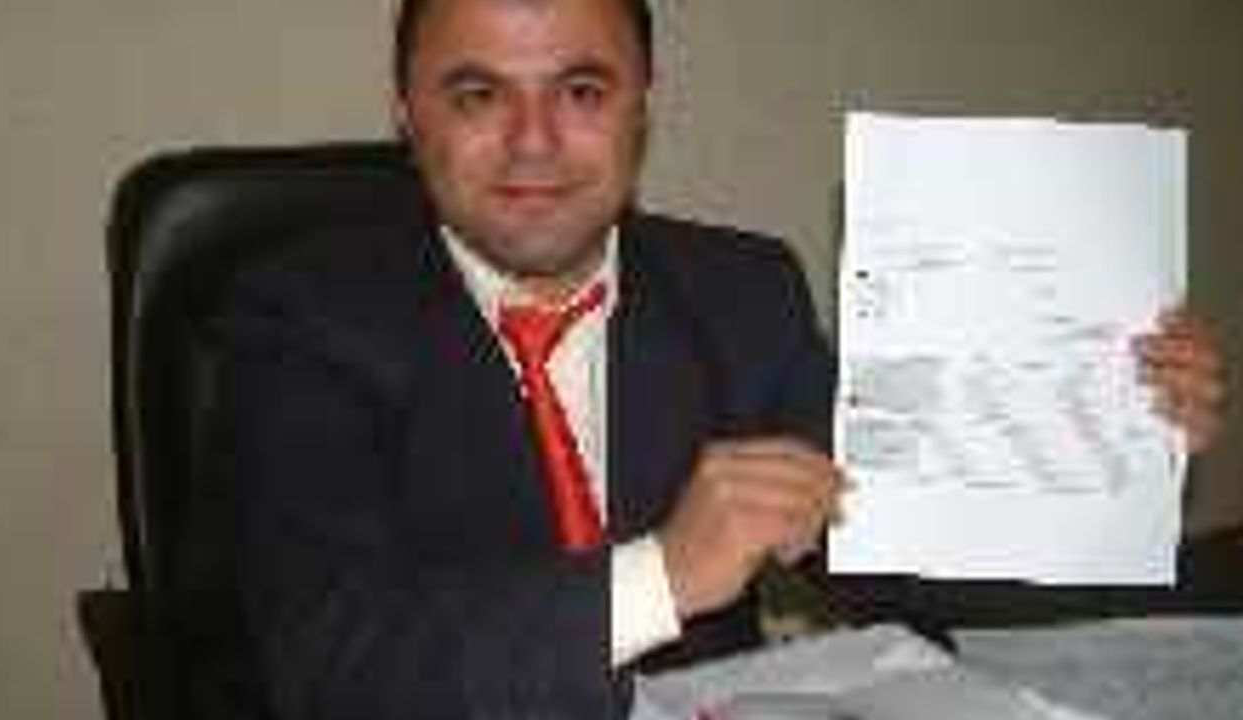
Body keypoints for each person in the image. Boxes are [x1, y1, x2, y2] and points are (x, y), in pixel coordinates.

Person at [214, 0, 1226, 717]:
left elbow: (904, 559)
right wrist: (664, 574)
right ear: (406, 110)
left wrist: (1114, 447)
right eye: (477, 95)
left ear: (641, 104)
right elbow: (332, 666)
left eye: (581, 90)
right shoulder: (299, 321)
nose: (533, 142)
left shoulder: (743, 292)